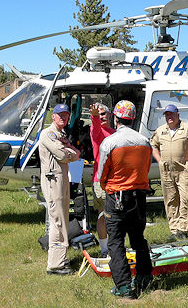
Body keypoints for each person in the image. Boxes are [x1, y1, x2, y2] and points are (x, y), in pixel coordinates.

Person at [98, 100, 153, 299]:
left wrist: (107, 187)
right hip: (139, 196)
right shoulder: (144, 141)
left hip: (117, 197)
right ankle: (145, 276)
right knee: (138, 238)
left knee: (116, 242)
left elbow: (102, 173)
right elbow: (145, 169)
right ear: (133, 117)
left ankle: (124, 286)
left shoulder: (110, 142)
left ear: (116, 117)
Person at [38, 103, 80, 275]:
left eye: (66, 115)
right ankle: (55, 264)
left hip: (61, 179)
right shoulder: (48, 134)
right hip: (52, 180)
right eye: (59, 114)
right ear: (53, 117)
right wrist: (71, 152)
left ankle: (60, 258)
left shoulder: (61, 134)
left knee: (63, 217)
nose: (63, 117)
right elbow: (64, 155)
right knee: (58, 220)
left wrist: (71, 153)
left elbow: (76, 155)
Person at [150, 104, 188, 241]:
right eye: (167, 115)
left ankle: (184, 228)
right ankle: (174, 229)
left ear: (178, 115)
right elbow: (153, 145)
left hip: (182, 170)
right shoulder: (161, 131)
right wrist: (159, 160)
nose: (169, 117)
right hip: (166, 171)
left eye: (172, 114)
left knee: (187, 199)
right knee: (171, 200)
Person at [89, 102, 115, 257]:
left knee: (116, 214)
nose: (102, 117)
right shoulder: (96, 132)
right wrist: (94, 116)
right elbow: (95, 126)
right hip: (100, 180)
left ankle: (115, 246)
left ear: (110, 115)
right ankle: (104, 249)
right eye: (99, 115)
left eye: (104, 113)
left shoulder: (115, 133)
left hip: (115, 179)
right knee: (103, 214)